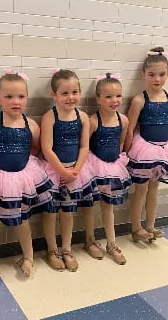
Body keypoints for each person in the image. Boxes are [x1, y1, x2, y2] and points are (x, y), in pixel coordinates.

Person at [0, 71, 53, 279]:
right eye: (9, 97)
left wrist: (25, 165)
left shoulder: (31, 124)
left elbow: (37, 148)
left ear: (27, 98)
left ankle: (28, 257)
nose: (15, 101)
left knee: (23, 219)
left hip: (22, 179)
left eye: (20, 96)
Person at [125, 47, 168, 243]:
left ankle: (150, 225)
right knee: (141, 190)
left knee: (154, 189)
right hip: (143, 149)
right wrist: (126, 151)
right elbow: (129, 127)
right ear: (144, 75)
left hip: (162, 150)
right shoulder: (139, 100)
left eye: (161, 75)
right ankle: (136, 228)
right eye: (152, 75)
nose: (157, 79)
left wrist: (166, 133)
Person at [41, 69, 97, 272]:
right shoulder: (50, 117)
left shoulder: (83, 117)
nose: (70, 97)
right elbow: (47, 149)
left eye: (74, 92)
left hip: (76, 170)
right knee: (51, 212)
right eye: (64, 93)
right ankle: (52, 249)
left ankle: (66, 248)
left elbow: (84, 146)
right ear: (54, 95)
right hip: (53, 171)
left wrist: (76, 170)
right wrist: (62, 172)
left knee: (68, 212)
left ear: (80, 92)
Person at [82, 73, 131, 265]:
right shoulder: (93, 121)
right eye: (109, 96)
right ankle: (90, 240)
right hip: (93, 167)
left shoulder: (123, 120)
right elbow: (84, 145)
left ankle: (112, 243)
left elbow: (120, 144)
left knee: (108, 206)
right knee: (89, 205)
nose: (114, 100)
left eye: (118, 96)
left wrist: (115, 162)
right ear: (98, 99)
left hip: (112, 167)